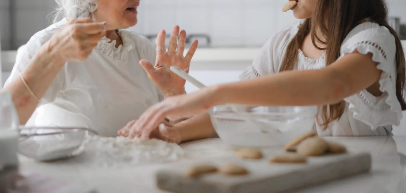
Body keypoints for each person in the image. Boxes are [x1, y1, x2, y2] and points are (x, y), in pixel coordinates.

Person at [120, 0, 406, 142]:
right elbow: (237, 109)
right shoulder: (284, 43)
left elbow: (333, 83)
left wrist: (215, 93)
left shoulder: (372, 39)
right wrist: (176, 129)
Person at [1, 0, 198, 136]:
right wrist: (51, 56)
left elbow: (172, 129)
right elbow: (4, 122)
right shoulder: (47, 43)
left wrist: (175, 93)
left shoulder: (142, 48)